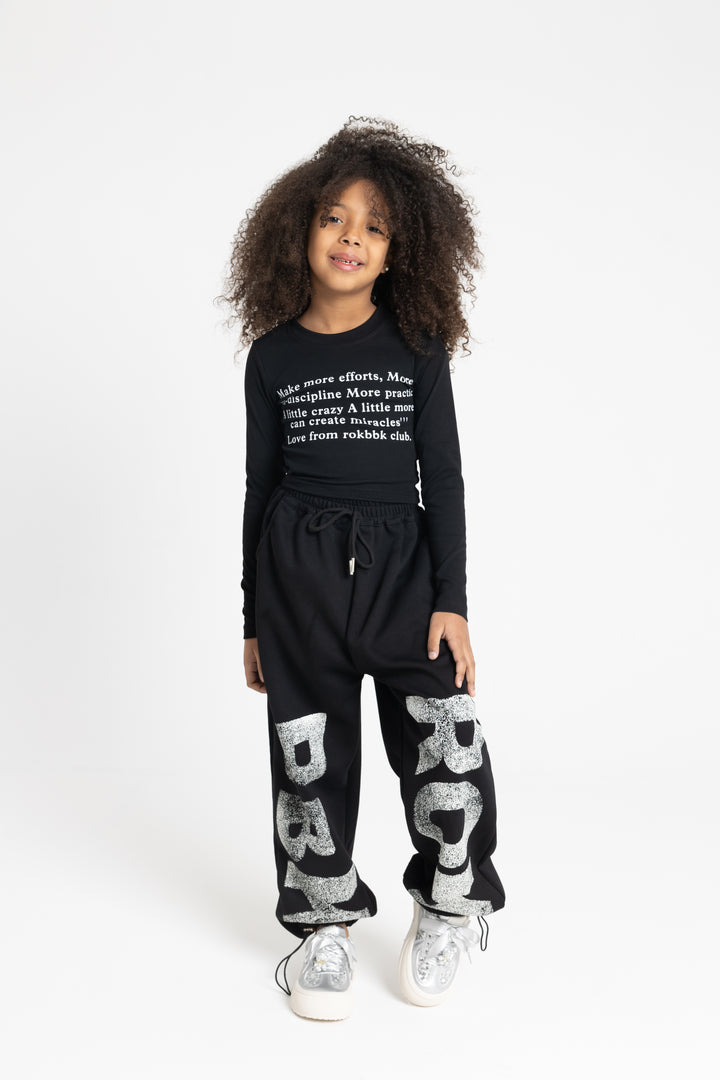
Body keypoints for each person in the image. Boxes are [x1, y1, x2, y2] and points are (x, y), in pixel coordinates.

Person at [218, 116, 506, 1021]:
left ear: (398, 250)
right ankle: (324, 925)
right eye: (334, 218)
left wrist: (452, 600)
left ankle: (448, 906)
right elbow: (260, 485)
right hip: (296, 574)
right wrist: (253, 619)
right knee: (309, 758)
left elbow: (444, 478)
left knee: (444, 743)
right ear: (298, 229)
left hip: (402, 571)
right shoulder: (273, 357)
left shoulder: (416, 348)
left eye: (374, 227)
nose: (351, 237)